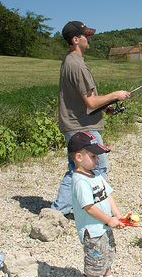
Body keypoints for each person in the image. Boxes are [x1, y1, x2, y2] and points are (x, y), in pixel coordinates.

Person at [51, 21, 130, 216]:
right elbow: (91, 102)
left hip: (74, 124)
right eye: (87, 35)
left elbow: (84, 100)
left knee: (76, 169)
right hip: (82, 127)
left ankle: (57, 212)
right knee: (97, 166)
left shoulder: (69, 60)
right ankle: (100, 211)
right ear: (76, 39)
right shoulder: (78, 65)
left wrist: (106, 107)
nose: (90, 38)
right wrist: (115, 95)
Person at [68, 131, 130, 277]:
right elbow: (89, 207)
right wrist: (108, 220)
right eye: (93, 155)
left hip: (104, 227)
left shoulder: (96, 175)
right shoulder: (80, 181)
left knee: (108, 253)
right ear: (79, 157)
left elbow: (108, 195)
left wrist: (117, 215)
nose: (97, 159)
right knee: (95, 259)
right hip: (92, 230)